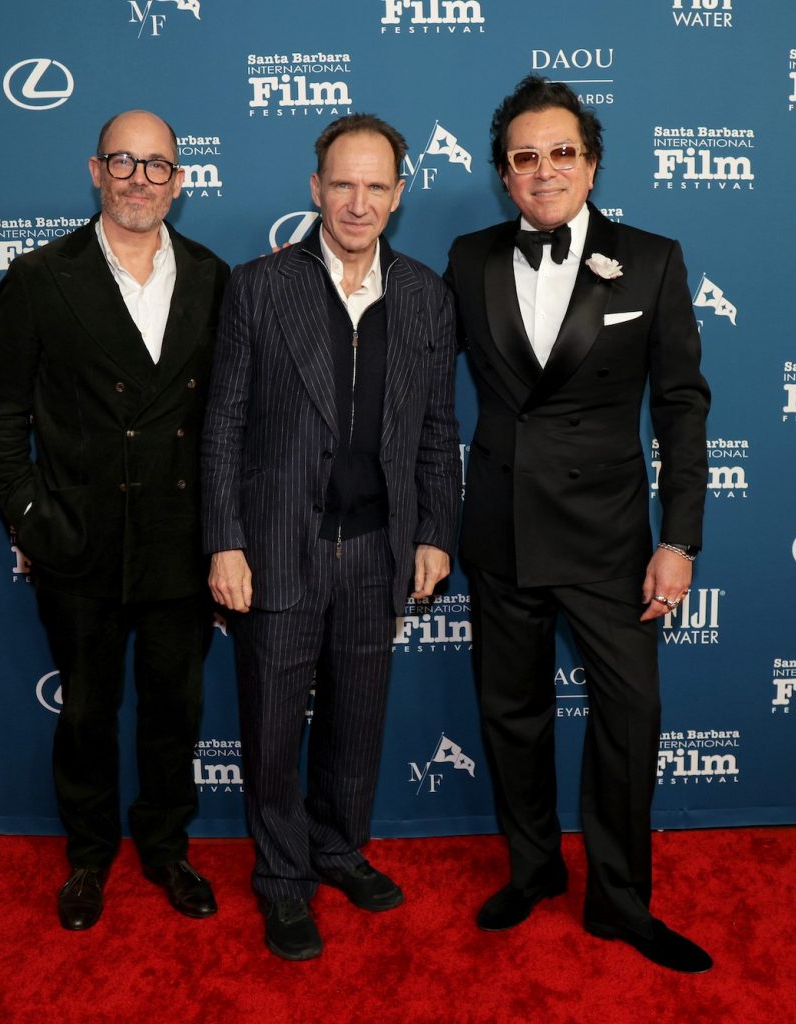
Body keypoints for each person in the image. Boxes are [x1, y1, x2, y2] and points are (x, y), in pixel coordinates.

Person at [444, 76, 714, 973]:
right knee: (510, 713)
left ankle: (621, 900)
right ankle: (531, 870)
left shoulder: (654, 259)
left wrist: (677, 539)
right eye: (525, 157)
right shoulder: (468, 257)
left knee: (630, 717)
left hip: (609, 538)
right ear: (503, 175)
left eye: (562, 152)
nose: (544, 170)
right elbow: (412, 384)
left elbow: (681, 407)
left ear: (591, 164)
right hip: (501, 527)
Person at [201, 113, 460, 961]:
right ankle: (282, 881)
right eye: (342, 184)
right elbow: (224, 424)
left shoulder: (426, 293)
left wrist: (433, 532)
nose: (358, 202)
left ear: (398, 193)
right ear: (315, 190)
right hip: (277, 546)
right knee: (273, 732)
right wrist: (225, 540)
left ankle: (338, 848)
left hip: (378, 547)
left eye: (376, 185)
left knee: (358, 723)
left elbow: (433, 429)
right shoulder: (257, 287)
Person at [0, 110, 229, 931]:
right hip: (77, 546)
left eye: (157, 165)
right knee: (84, 714)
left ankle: (165, 847)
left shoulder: (214, 278)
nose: (139, 179)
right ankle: (88, 857)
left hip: (181, 547)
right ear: (95, 170)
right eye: (123, 161)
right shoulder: (42, 276)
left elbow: (229, 418)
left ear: (179, 181)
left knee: (173, 713)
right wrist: (30, 519)